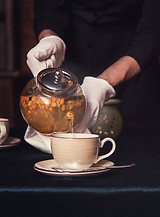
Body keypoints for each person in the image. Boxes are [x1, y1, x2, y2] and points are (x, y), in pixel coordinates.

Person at [26, 0, 160, 138]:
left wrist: (104, 82)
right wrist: (49, 39)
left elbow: (152, 32)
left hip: (134, 60)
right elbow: (47, 10)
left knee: (141, 141)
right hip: (70, 56)